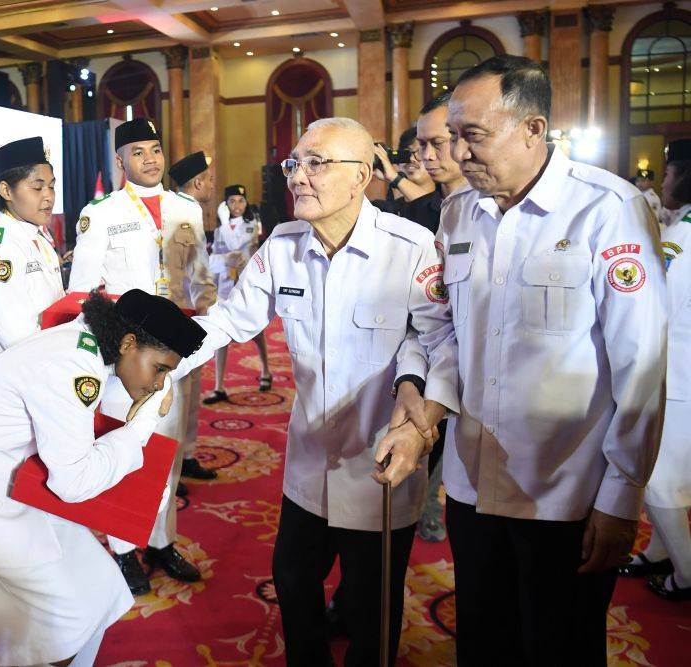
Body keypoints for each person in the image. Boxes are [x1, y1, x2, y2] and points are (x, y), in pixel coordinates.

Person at [166, 117, 459, 666]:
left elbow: (439, 337)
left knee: (373, 608)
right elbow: (230, 320)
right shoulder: (283, 244)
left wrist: (418, 403)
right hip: (307, 462)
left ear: (362, 176)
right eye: (293, 164)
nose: (298, 176)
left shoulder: (411, 245)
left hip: (379, 463)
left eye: (316, 163)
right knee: (294, 582)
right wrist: (161, 354)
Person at [426, 55, 665, 665]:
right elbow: (451, 333)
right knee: (482, 639)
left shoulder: (605, 209)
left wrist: (622, 498)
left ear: (533, 129)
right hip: (472, 483)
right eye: (453, 135)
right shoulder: (459, 214)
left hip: (564, 491)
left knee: (559, 646)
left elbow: (641, 366)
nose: (456, 153)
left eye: (472, 136)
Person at [0, 289, 206, 667]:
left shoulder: (88, 345)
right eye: (160, 369)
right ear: (128, 342)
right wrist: (141, 426)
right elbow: (73, 481)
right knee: (65, 622)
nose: (160, 384)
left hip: (11, 483)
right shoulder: (74, 366)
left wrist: (147, 398)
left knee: (97, 588)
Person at [68, 118, 216, 593]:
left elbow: (200, 275)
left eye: (156, 149)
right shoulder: (102, 213)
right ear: (120, 161)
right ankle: (123, 548)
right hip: (126, 356)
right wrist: (106, 355)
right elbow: (83, 293)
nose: (150, 159)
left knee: (167, 452)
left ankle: (161, 540)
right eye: (138, 152)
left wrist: (208, 321)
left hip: (175, 350)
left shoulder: (185, 208)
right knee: (124, 448)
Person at [619, 139, 691, 601]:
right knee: (674, 478)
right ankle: (662, 550)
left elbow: (657, 308)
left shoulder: (679, 239)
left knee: (661, 480)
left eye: (667, 174)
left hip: (678, 374)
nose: (661, 182)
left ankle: (687, 573)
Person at [0, 136, 64, 373]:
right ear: (6, 191)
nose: (49, 196)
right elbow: (18, 340)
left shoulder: (38, 239)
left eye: (51, 186)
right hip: (18, 386)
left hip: (52, 370)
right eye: (37, 187)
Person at [166, 151, 219, 482]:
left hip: (170, 311)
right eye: (210, 179)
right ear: (198, 182)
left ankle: (178, 463)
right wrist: (209, 305)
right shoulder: (187, 209)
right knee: (182, 391)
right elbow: (199, 267)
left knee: (177, 391)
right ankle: (176, 464)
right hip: (184, 313)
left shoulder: (168, 205)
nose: (212, 185)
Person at [204, 183, 272, 403]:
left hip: (246, 286)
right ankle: (219, 386)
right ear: (226, 204)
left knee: (256, 332)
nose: (237, 205)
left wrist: (225, 223)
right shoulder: (219, 230)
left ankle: (265, 370)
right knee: (222, 334)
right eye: (232, 201)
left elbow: (236, 247)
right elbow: (216, 257)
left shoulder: (253, 224)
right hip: (225, 285)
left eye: (241, 200)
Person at [373, 126, 434, 214]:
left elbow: (430, 210)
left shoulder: (446, 203)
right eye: (405, 154)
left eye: (419, 152)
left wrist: (394, 178)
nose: (411, 159)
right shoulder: (384, 209)